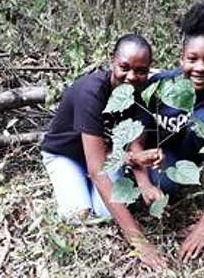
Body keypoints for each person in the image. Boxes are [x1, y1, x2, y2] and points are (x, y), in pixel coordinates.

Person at [41, 34, 168, 271]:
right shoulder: (91, 93)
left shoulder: (140, 97)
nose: (131, 76)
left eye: (141, 71)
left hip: (107, 155)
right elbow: (96, 170)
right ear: (112, 62)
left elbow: (134, 144)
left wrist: (145, 184)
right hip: (66, 155)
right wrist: (138, 241)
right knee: (78, 215)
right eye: (124, 67)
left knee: (105, 213)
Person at [143, 2, 204, 263]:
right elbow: (133, 132)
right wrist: (143, 176)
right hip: (163, 160)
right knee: (164, 187)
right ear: (181, 59)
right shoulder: (160, 84)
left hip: (194, 155)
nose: (200, 67)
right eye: (192, 59)